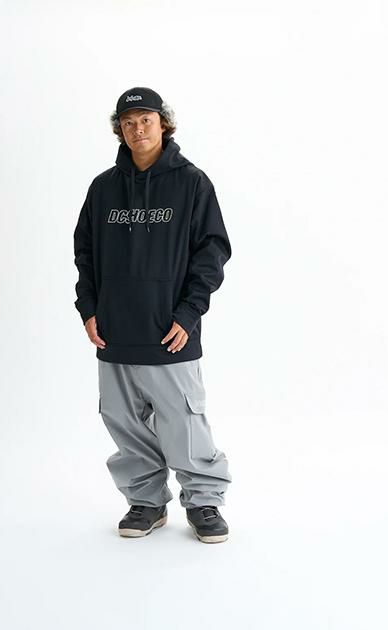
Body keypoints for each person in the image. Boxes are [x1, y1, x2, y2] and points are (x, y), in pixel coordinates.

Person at [73, 86, 233, 543]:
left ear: (163, 124)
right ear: (119, 130)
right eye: (128, 123)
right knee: (123, 421)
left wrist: (189, 313)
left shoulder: (192, 183)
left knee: (183, 420)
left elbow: (212, 253)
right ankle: (145, 501)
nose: (137, 129)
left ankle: (203, 500)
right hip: (114, 331)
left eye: (146, 120)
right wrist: (89, 308)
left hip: (170, 330)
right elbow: (85, 253)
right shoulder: (103, 188)